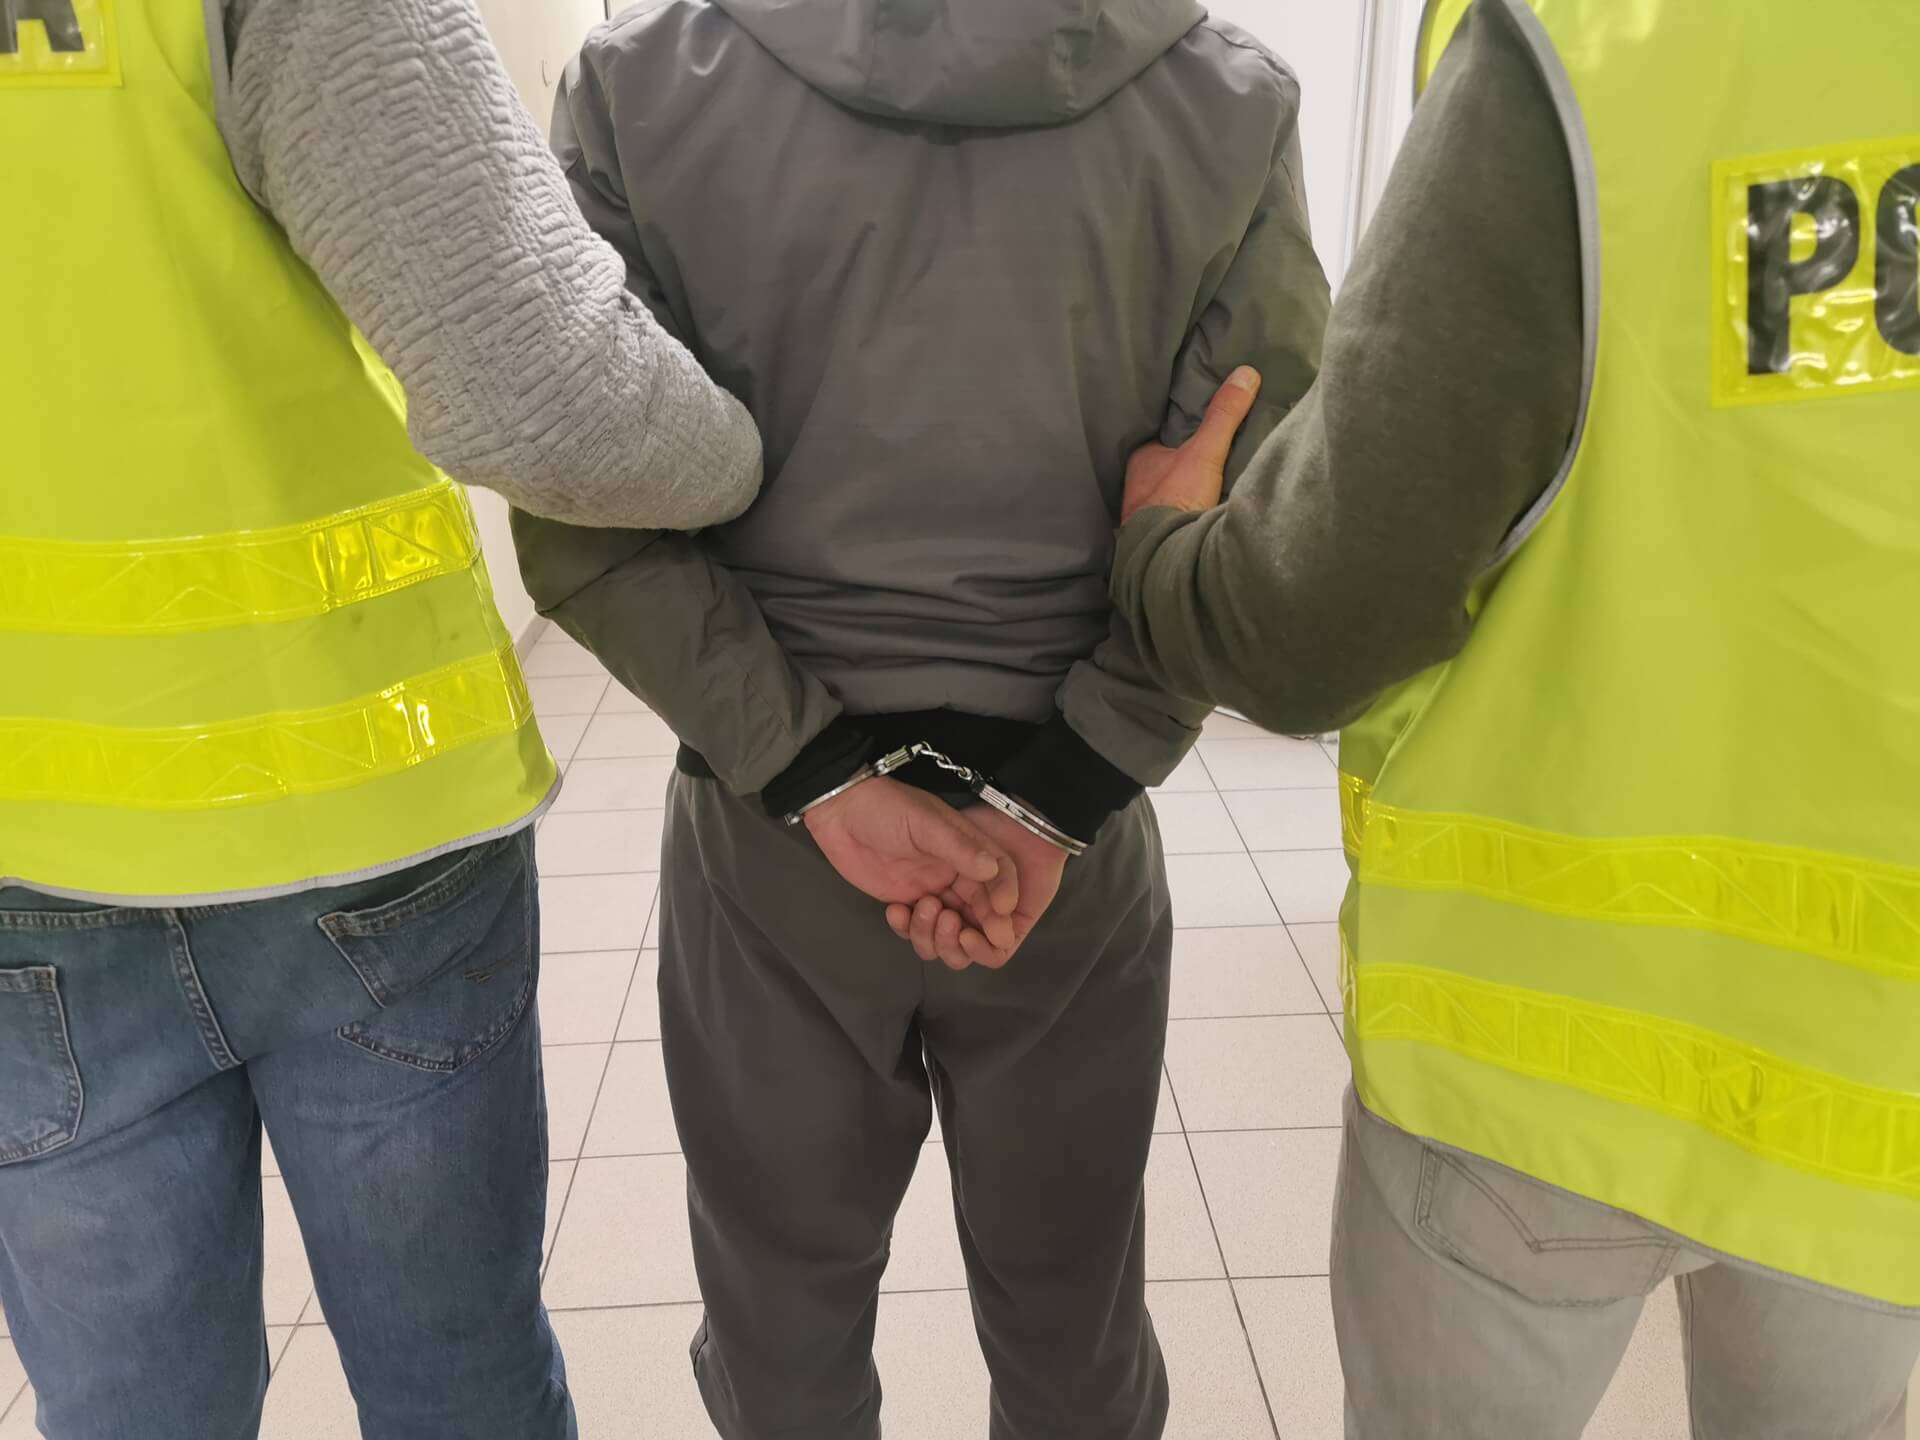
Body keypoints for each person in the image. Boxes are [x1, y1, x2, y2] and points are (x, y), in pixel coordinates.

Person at [511, 0, 1330, 1433]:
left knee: (782, 1324)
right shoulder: (1227, 100)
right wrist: (1058, 793)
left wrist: (817, 772)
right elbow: (1244, 517)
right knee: (1073, 1319)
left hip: (773, 831)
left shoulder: (639, 86)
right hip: (1062, 844)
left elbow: (584, 507)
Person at [1104, 0, 1920, 1435]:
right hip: (1881, 1083)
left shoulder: (1596, 46)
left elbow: (1319, 616)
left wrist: (1164, 558)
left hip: (1542, 1068)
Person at [1, 0, 811, 1435]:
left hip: (28, 861)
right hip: (361, 829)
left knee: (127, 1415)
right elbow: (554, 404)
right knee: (458, 1392)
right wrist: (770, 467)